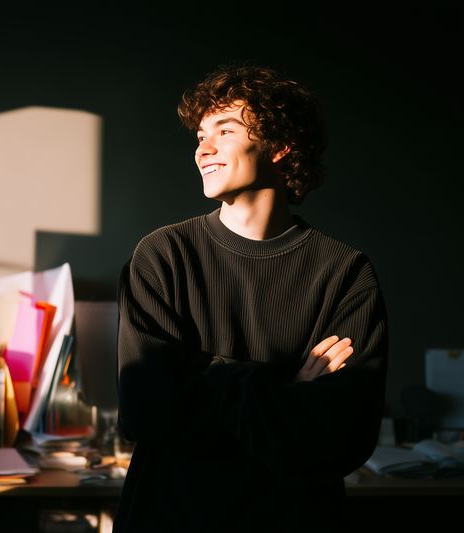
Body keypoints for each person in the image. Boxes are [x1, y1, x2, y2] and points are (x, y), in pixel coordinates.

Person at [115, 64, 389, 532]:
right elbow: (147, 412)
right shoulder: (162, 255)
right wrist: (283, 388)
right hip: (171, 517)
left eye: (225, 130)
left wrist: (203, 383)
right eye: (201, 135)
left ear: (281, 146)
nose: (203, 149)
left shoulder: (345, 272)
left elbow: (345, 437)